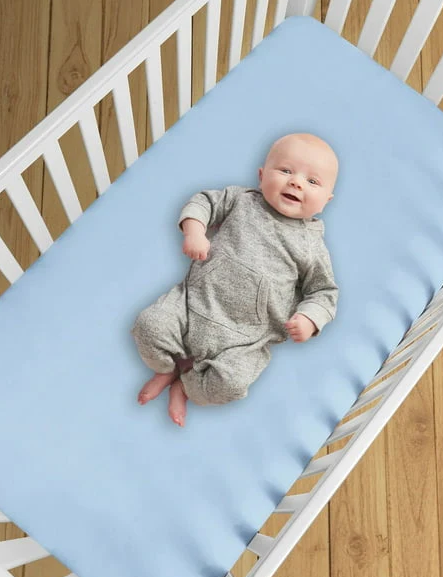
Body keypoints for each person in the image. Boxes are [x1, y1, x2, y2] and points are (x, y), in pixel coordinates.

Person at [131, 132, 339, 426]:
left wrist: (309, 319)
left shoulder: (311, 246)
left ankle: (185, 386)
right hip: (191, 304)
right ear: (261, 176)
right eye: (285, 171)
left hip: (246, 337)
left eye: (312, 181)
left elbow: (324, 292)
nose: (296, 182)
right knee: (148, 326)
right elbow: (203, 202)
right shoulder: (242, 200)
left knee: (231, 383)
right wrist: (195, 231)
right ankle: (166, 369)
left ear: (326, 201)